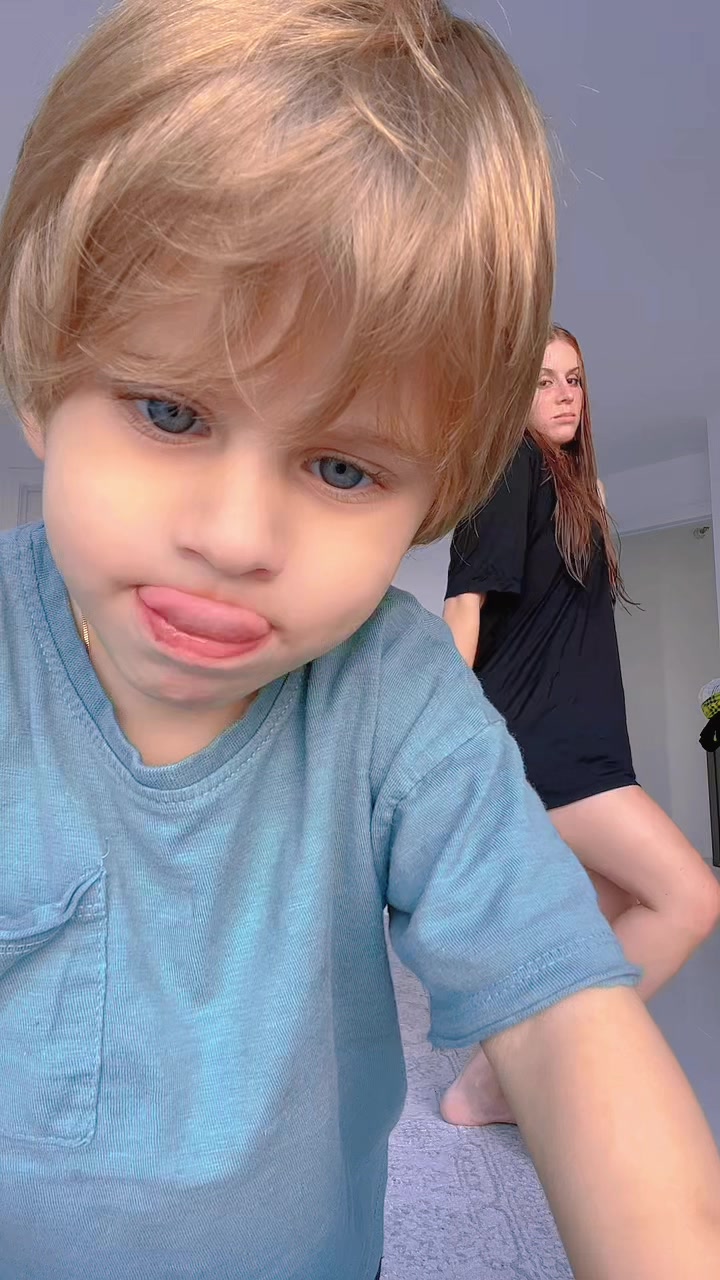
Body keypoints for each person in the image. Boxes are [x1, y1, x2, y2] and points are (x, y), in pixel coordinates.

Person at [1, 4, 719, 1278]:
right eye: (168, 409)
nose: (235, 535)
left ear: (434, 493)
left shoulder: (392, 697)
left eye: (341, 466)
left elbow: (567, 1019)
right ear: (44, 377)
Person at [442, 324, 720, 1129]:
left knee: (601, 915)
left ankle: (487, 1081)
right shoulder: (509, 466)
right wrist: (443, 748)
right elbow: (464, 608)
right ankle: (505, 1083)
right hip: (543, 743)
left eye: (574, 379)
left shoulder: (572, 487)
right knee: (690, 897)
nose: (564, 395)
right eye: (543, 381)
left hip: (586, 742)